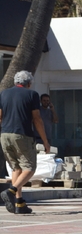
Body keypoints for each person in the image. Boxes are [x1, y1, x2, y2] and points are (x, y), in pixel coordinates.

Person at [0, 71, 50, 215]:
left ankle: (19, 204)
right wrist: (45, 141)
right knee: (30, 168)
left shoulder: (3, 94)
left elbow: (0, 116)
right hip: (22, 135)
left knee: (17, 169)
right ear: (28, 83)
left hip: (5, 134)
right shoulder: (32, 95)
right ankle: (11, 191)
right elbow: (37, 119)